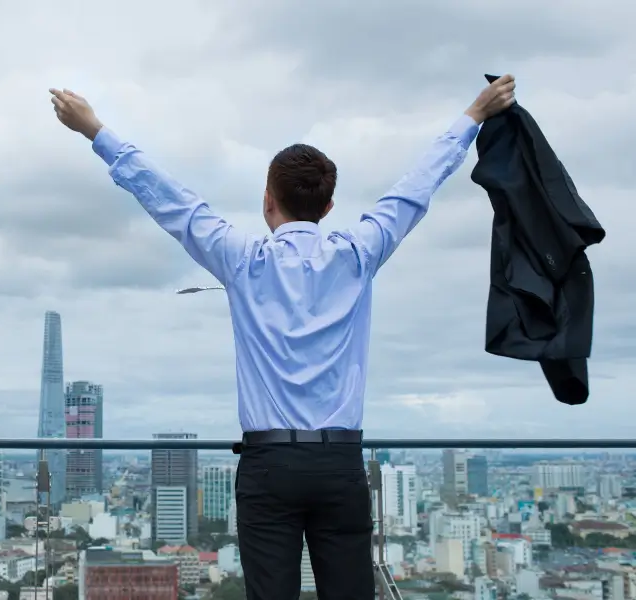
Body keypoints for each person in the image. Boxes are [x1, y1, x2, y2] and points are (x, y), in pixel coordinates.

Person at [49, 75, 516, 599]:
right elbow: (415, 187)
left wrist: (94, 130)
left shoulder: (242, 259)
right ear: (328, 206)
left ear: (268, 200)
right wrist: (474, 114)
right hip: (340, 461)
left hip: (268, 466)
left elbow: (170, 200)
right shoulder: (358, 252)